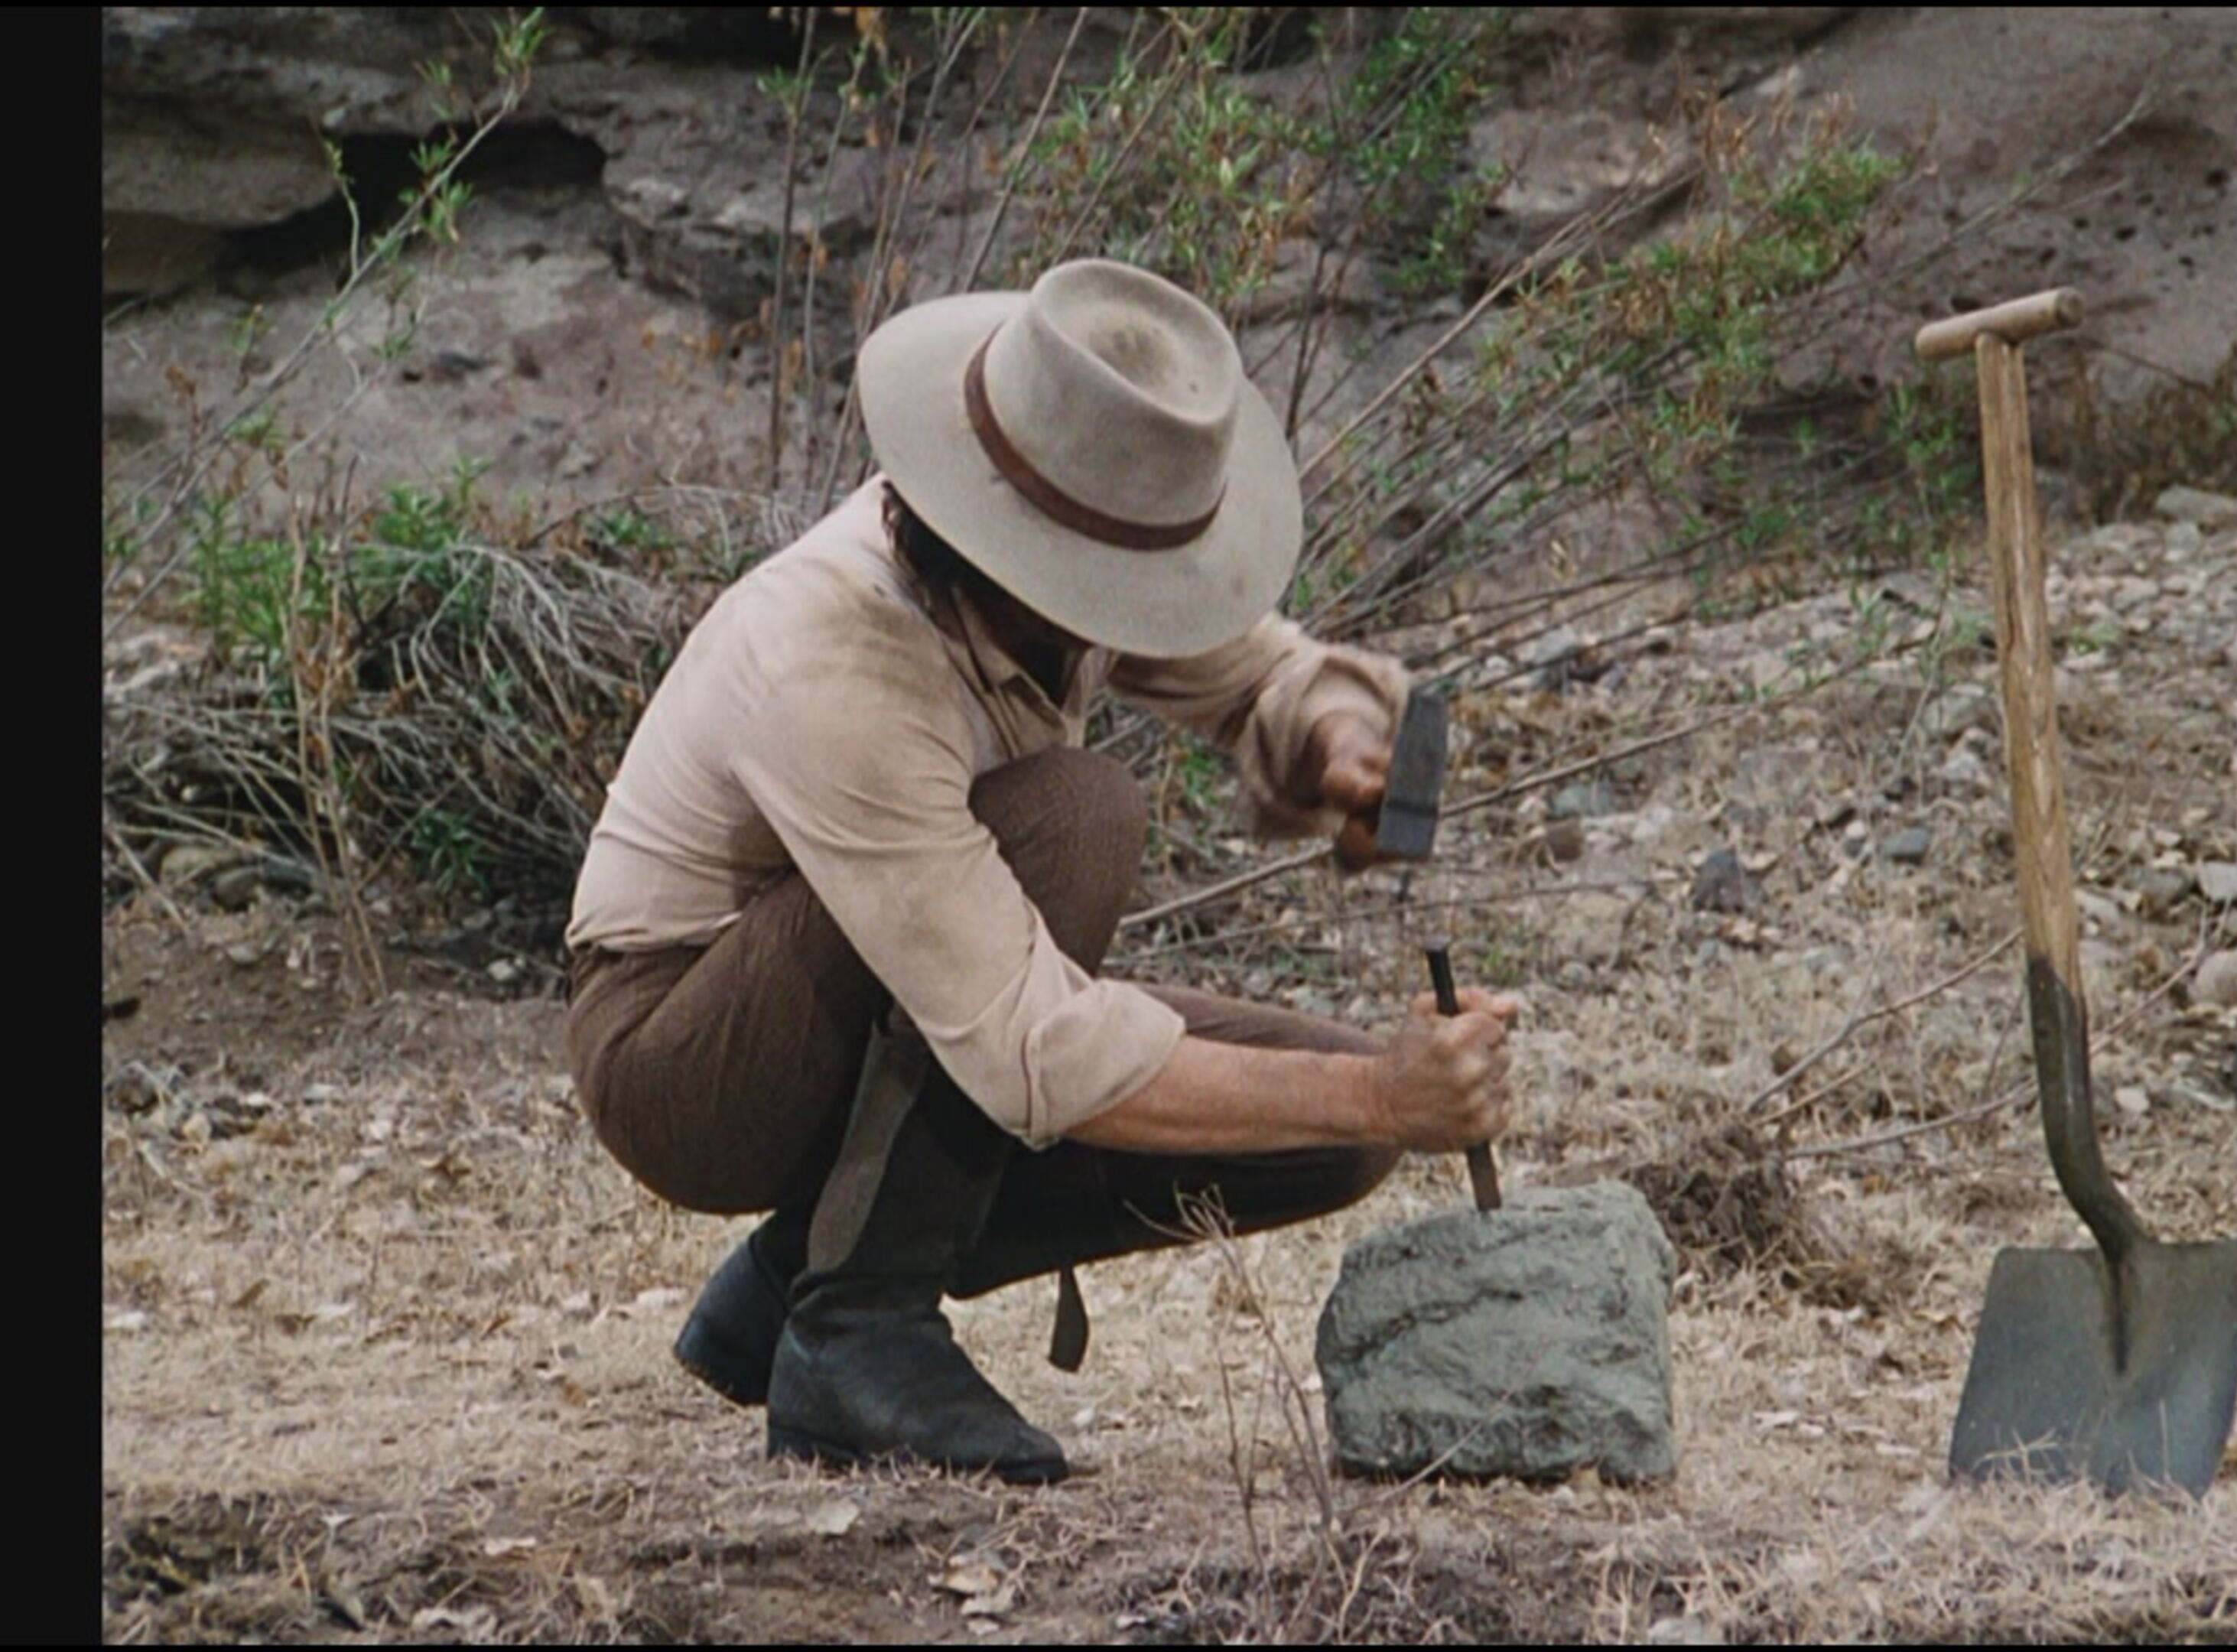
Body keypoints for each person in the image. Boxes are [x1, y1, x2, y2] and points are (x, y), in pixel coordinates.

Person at [563, 258, 1520, 1485]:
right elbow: (1034, 1047)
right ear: (1017, 546)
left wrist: (1336, 740)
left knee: (1318, 1140)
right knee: (1077, 819)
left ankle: (794, 1272)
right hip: (683, 1056)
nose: (1134, 610)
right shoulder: (838, 655)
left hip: (880, 996)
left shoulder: (1054, 563)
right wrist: (1388, 1091)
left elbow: (1258, 671)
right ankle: (858, 1330)